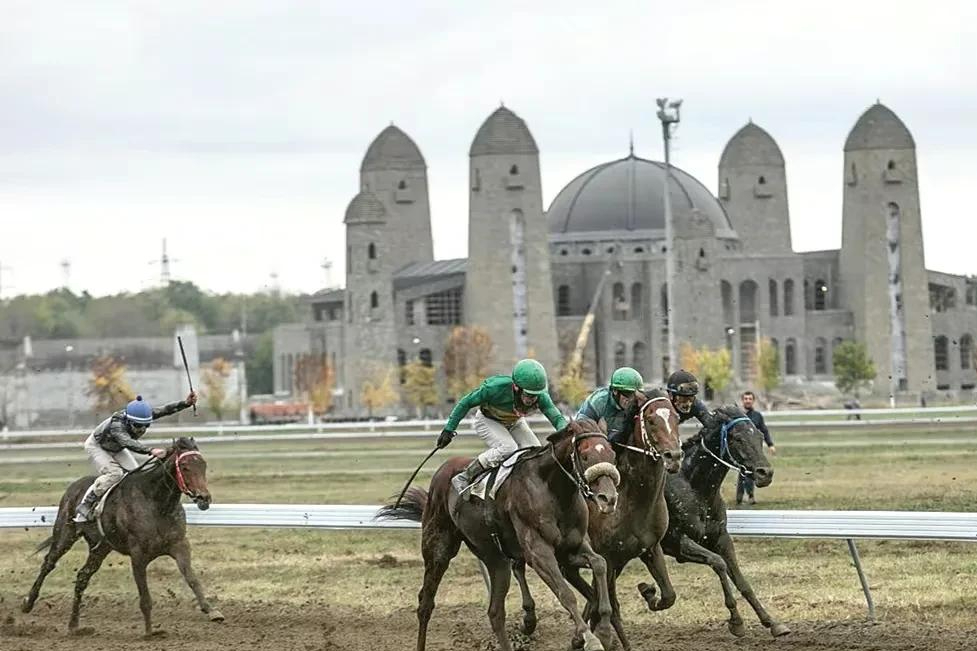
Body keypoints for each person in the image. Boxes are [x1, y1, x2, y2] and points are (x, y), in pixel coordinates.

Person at [436, 359, 568, 497]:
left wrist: (568, 434)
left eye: (536, 395)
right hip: (487, 420)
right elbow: (465, 403)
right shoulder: (494, 388)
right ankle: (466, 476)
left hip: (514, 422)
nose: (532, 400)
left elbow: (556, 418)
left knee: (534, 451)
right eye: (529, 395)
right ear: (516, 387)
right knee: (508, 447)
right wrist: (449, 430)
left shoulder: (541, 397)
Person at [73, 391, 198, 523]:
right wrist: (150, 450)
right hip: (98, 446)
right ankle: (86, 504)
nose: (142, 429)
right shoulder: (117, 425)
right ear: (128, 420)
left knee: (137, 474)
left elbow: (165, 410)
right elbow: (128, 442)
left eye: (146, 425)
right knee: (115, 474)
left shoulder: (141, 415)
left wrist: (186, 403)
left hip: (116, 447)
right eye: (138, 425)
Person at [575, 367, 644, 444]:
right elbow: (580, 428)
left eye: (635, 395)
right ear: (615, 391)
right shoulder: (598, 402)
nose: (631, 399)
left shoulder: (639, 403)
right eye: (627, 394)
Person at [736, 390, 776, 505]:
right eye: (746, 399)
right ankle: (740, 496)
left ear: (753, 401)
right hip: (742, 450)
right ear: (742, 400)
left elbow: (764, 430)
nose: (748, 401)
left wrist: (770, 445)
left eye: (750, 399)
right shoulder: (739, 416)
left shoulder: (757, 416)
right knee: (743, 471)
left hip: (755, 451)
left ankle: (749, 495)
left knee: (749, 472)